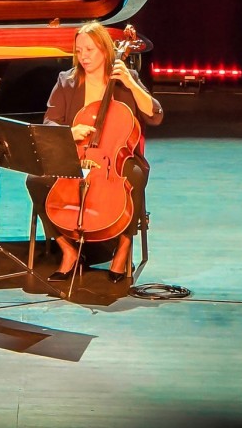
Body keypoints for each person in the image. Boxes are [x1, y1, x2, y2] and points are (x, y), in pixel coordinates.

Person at [26, 22, 164, 284]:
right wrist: (70, 132)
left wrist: (131, 84)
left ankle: (123, 248)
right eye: (79, 51)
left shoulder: (126, 78)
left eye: (89, 50)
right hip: (76, 153)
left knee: (134, 177)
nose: (84, 56)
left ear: (104, 49)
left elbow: (155, 115)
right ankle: (67, 249)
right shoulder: (66, 81)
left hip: (117, 158)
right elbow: (50, 122)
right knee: (36, 180)